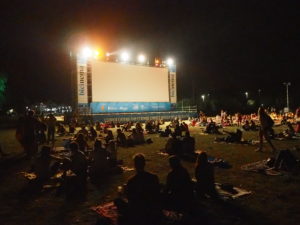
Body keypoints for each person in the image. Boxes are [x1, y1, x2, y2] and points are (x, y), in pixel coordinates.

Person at [116, 153, 161, 224]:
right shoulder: (153, 177)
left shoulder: (132, 181)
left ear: (135, 165)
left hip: (138, 210)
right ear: (144, 164)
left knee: (118, 200)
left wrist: (122, 193)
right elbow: (157, 194)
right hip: (152, 208)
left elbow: (130, 199)